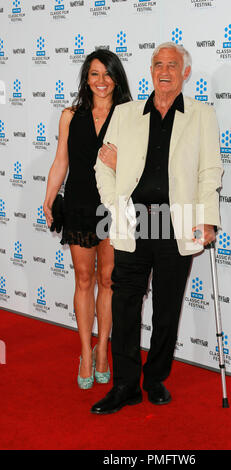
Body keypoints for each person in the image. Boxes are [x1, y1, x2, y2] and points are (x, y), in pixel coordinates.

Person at [91, 42, 223, 413]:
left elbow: (209, 171)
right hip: (132, 221)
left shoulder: (201, 115)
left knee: (167, 307)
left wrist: (207, 219)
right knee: (126, 303)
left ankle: (155, 378)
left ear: (185, 72)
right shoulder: (125, 113)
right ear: (150, 70)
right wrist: (115, 207)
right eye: (157, 64)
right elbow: (104, 166)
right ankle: (126, 385)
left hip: (176, 224)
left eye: (172, 65)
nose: (164, 71)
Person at [43, 50, 132, 389]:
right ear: (86, 78)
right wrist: (50, 194)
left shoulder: (129, 115)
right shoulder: (70, 115)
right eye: (95, 74)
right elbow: (60, 160)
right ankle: (84, 350)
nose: (101, 81)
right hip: (80, 204)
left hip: (113, 205)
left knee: (108, 280)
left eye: (107, 74)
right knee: (84, 278)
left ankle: (102, 351)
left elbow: (137, 165)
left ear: (116, 78)